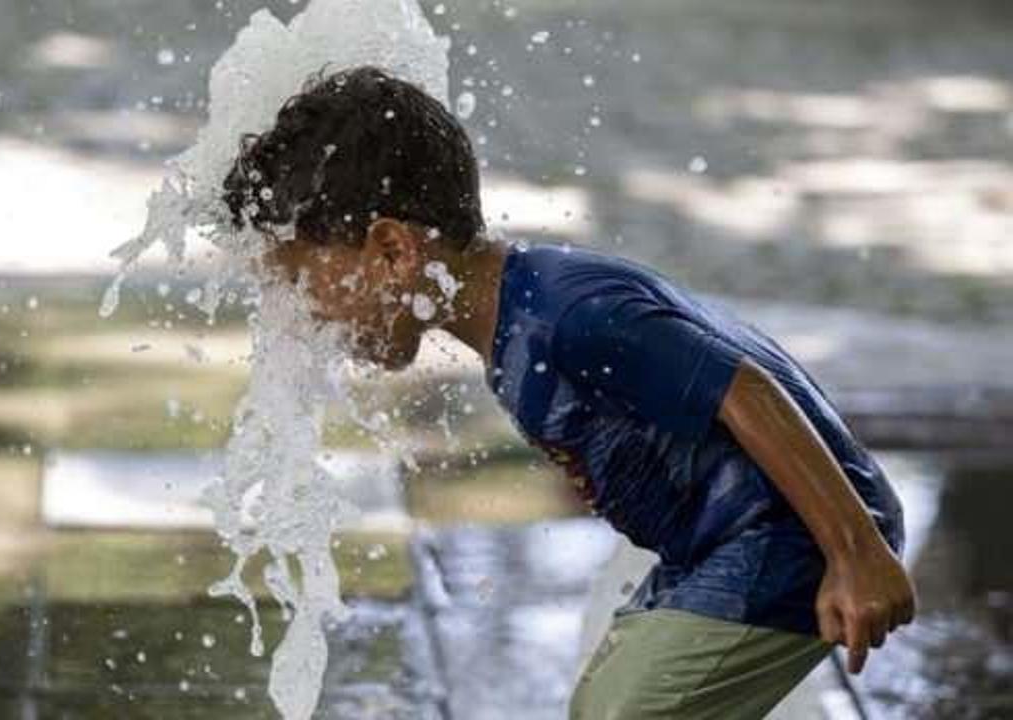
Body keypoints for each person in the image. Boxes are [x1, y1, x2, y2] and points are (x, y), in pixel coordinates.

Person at [221, 65, 914, 719]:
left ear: (395, 251)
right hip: (721, 542)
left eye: (308, 286)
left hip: (788, 539)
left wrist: (857, 555)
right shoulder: (521, 315)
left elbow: (748, 389)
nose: (307, 315)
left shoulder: (567, 314)